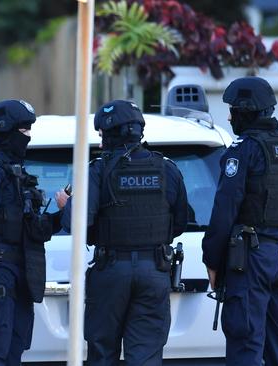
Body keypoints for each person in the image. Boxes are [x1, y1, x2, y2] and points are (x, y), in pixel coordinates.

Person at [56, 100, 188, 365]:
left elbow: (76, 223)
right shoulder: (166, 168)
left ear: (110, 134)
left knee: (103, 353)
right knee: (146, 355)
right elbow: (181, 222)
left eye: (102, 135)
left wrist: (65, 205)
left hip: (110, 271)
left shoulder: (97, 170)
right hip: (154, 271)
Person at [202, 76, 278, 365]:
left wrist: (212, 261)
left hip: (253, 260)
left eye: (233, 110)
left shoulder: (243, 150)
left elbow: (225, 210)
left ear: (246, 111)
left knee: (246, 344)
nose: (230, 116)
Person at [0, 100, 61, 365]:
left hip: (20, 274)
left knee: (13, 350)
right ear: (7, 132)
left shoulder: (19, 176)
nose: (28, 136)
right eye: (24, 130)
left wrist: (63, 212)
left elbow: (34, 230)